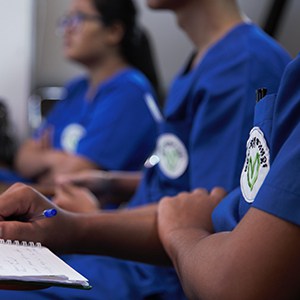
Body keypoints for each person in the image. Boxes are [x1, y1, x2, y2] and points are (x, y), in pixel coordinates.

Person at [0, 0, 292, 299]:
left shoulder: (242, 67)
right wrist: (111, 183)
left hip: (154, 275)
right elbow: (183, 182)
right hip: (131, 259)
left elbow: (212, 214)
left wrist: (86, 221)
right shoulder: (203, 61)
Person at [0, 0, 160, 187]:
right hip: (44, 195)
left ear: (113, 31)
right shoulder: (76, 89)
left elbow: (74, 177)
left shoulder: (129, 93)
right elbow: (23, 159)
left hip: (83, 209)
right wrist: (56, 160)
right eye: (66, 20)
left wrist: (44, 159)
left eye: (77, 19)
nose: (67, 29)